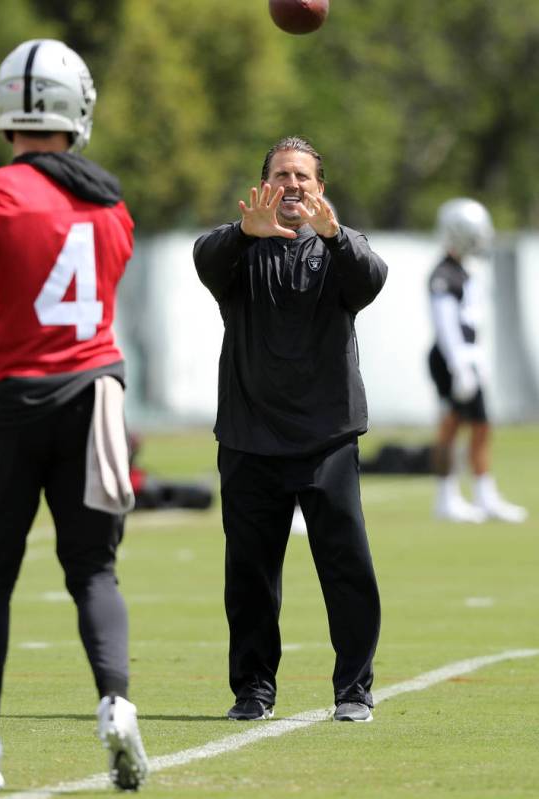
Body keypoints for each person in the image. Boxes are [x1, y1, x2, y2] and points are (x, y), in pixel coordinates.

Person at [0, 39, 148, 790]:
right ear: (79, 107)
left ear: (6, 106)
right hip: (91, 397)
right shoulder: (111, 204)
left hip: (9, 406)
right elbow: (61, 318)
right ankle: (115, 705)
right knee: (95, 571)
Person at [193, 136, 388, 724]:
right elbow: (204, 257)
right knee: (250, 574)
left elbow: (373, 277)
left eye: (303, 175)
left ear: (320, 188)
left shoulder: (339, 251)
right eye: (282, 174)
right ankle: (253, 690)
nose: (293, 184)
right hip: (250, 437)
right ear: (264, 185)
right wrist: (240, 232)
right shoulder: (237, 252)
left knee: (347, 565)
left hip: (326, 438)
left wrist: (336, 236)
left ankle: (354, 689)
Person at [427, 198, 528, 524]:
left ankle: (484, 495)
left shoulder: (465, 270)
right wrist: (460, 366)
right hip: (452, 361)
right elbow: (445, 326)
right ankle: (447, 497)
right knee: (451, 427)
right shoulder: (443, 274)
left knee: (481, 427)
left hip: (468, 359)